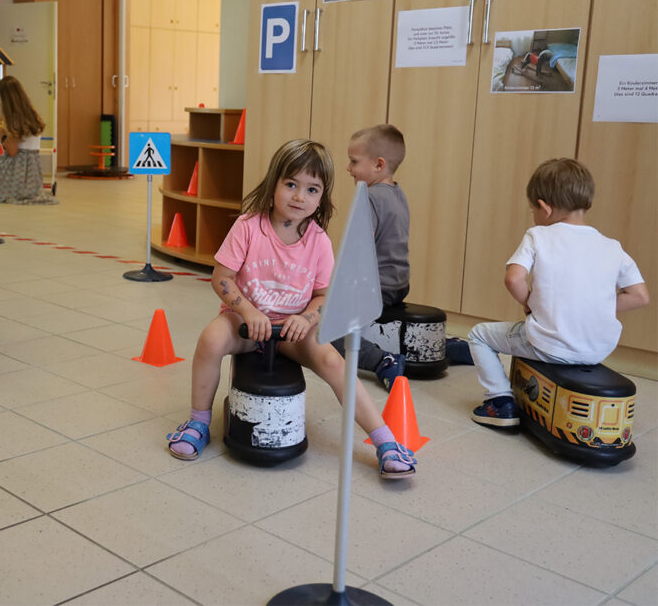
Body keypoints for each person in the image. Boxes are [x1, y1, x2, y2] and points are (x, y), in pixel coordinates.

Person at [166, 139, 417, 478]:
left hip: (292, 331)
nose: (300, 196)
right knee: (210, 340)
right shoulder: (248, 226)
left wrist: (306, 317)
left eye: (312, 189)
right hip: (242, 323)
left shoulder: (318, 241)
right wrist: (248, 311)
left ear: (322, 196)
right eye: (291, 184)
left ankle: (385, 440)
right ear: (273, 185)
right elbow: (221, 278)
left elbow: (325, 295)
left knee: (333, 360)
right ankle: (198, 421)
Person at [468, 158, 649, 427]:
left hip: (550, 344)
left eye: (533, 209)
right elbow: (640, 296)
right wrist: (594, 305)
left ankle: (499, 402)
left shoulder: (538, 235)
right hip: (598, 350)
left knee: (479, 336)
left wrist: (528, 303)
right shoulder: (611, 246)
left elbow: (513, 279)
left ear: (544, 208)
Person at [330, 124, 409, 391]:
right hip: (399, 285)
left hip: (376, 288)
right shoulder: (398, 193)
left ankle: (382, 360)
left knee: (325, 328)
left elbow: (360, 250)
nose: (348, 168)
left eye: (353, 162)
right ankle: (449, 346)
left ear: (378, 165)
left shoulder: (369, 196)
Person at [0, 75, 47, 203]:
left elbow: (12, 151)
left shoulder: (14, 119)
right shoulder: (33, 114)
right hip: (33, 169)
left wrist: (2, 134)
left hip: (19, 166)